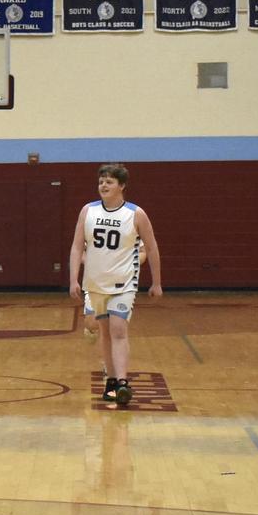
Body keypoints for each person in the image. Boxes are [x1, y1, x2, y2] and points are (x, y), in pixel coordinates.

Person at [69, 163, 163, 407]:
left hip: (123, 284)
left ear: (122, 186)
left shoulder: (136, 214)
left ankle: (122, 382)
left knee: (118, 330)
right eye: (101, 181)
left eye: (109, 182)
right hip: (95, 284)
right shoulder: (88, 211)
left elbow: (152, 248)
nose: (103, 185)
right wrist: (73, 279)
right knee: (105, 334)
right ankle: (111, 382)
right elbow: (77, 247)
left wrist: (157, 282)